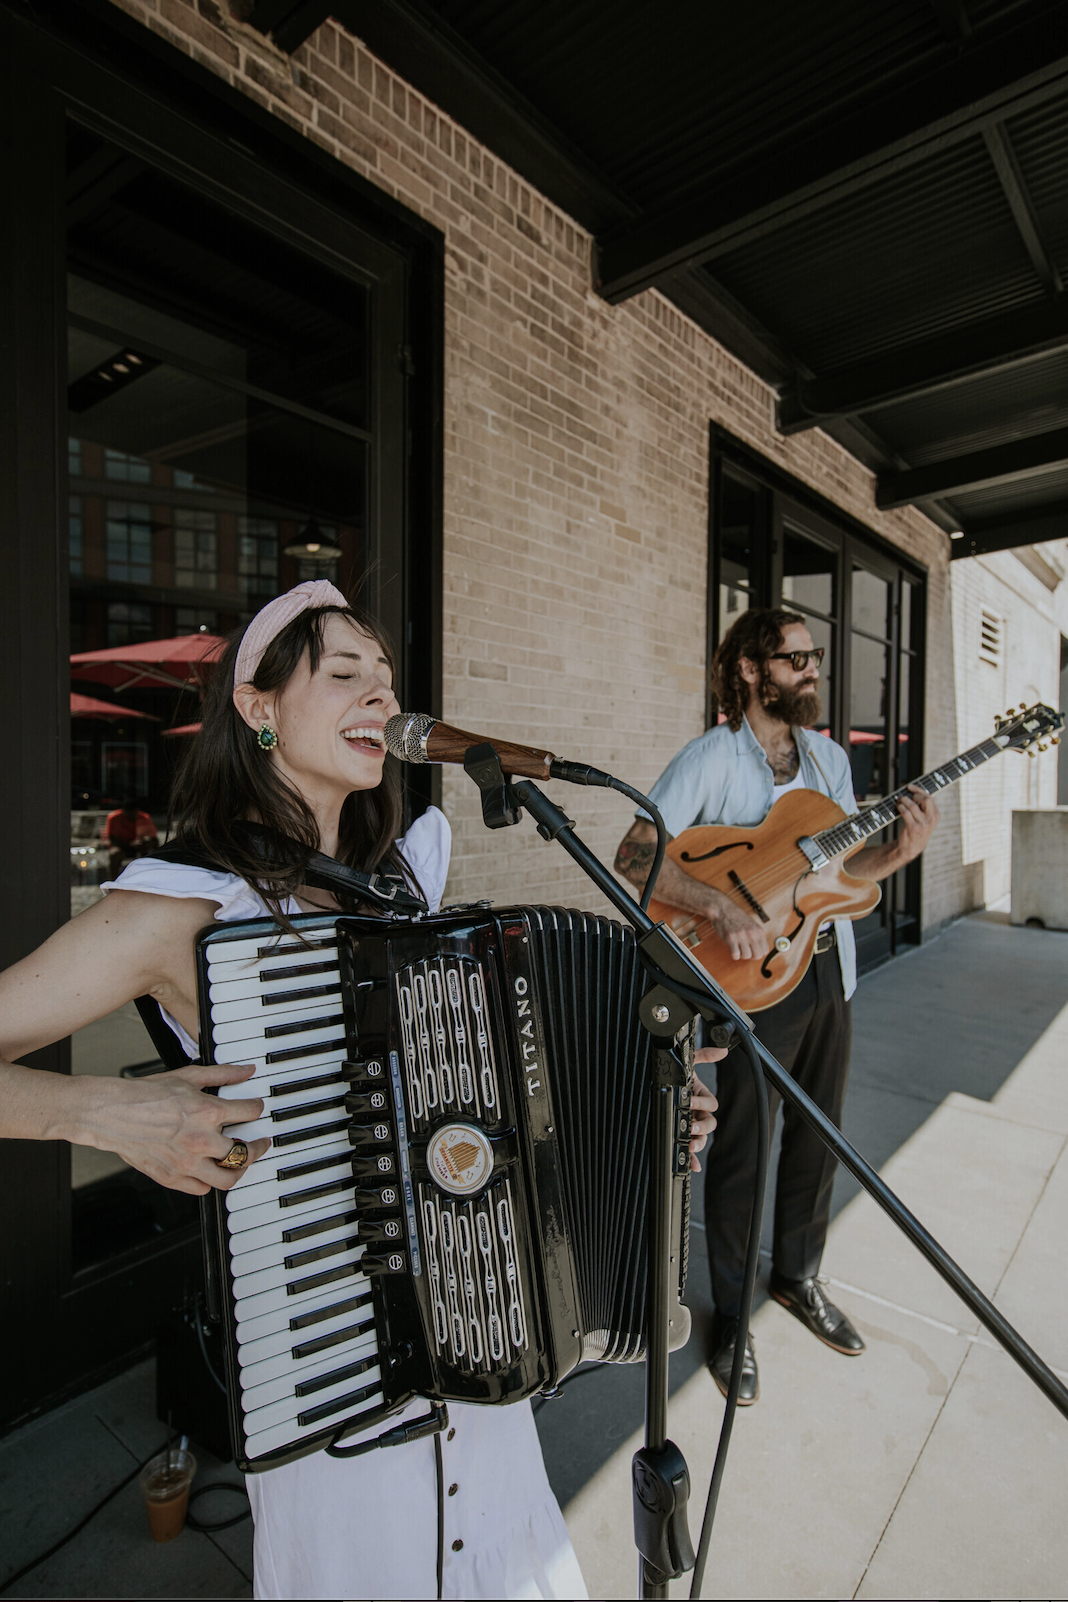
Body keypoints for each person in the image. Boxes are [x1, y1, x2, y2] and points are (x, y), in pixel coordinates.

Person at [0, 579, 720, 1599]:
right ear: (257, 708)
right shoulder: (182, 905)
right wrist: (107, 1112)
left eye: (385, 681)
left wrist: (641, 1113)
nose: (380, 700)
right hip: (326, 1359)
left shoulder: (409, 883)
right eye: (344, 676)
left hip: (478, 1329)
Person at [614, 607, 940, 1406]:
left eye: (814, 656)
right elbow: (632, 853)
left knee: (819, 1139)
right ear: (753, 671)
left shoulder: (827, 758)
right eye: (798, 658)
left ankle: (797, 1275)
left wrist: (895, 852)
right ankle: (730, 1315)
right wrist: (717, 905)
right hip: (754, 984)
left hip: (829, 972)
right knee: (743, 1152)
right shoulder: (710, 758)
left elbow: (844, 873)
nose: (814, 670)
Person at [101, 797, 159, 875]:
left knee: (151, 851)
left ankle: (150, 876)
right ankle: (114, 880)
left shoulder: (144, 817)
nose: (132, 817)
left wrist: (146, 841)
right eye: (129, 815)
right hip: (122, 847)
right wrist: (130, 844)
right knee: (115, 854)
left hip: (141, 847)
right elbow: (113, 840)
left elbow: (153, 838)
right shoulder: (114, 818)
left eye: (134, 814)